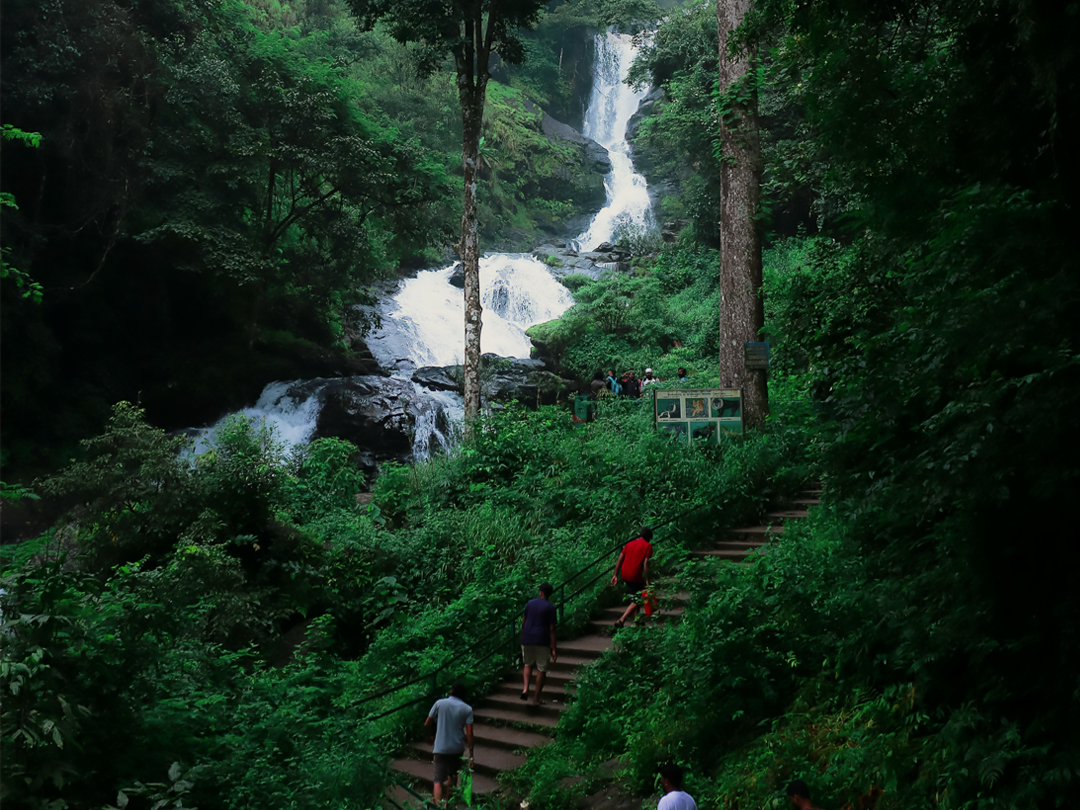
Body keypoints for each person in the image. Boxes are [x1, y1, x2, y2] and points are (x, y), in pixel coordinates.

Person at [425, 683, 474, 805]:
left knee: (438, 780)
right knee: (452, 777)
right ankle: (448, 806)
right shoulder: (467, 709)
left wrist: (429, 737)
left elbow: (427, 723)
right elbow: (469, 734)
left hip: (440, 747)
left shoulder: (439, 703)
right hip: (457, 748)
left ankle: (437, 806)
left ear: (451, 692)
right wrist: (471, 755)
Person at [520, 582, 558, 705]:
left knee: (528, 664)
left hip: (527, 638)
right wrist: (553, 648)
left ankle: (525, 689)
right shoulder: (551, 608)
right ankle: (536, 698)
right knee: (541, 668)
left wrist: (524, 635)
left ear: (540, 592)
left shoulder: (530, 603)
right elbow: (551, 629)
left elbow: (523, 622)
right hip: (542, 640)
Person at [610, 527, 653, 627]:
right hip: (635, 575)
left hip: (625, 574)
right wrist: (647, 580)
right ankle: (622, 620)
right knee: (639, 598)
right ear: (647, 537)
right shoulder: (648, 546)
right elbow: (646, 564)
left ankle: (636, 621)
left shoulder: (629, 544)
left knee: (635, 595)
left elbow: (619, 560)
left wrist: (615, 575)